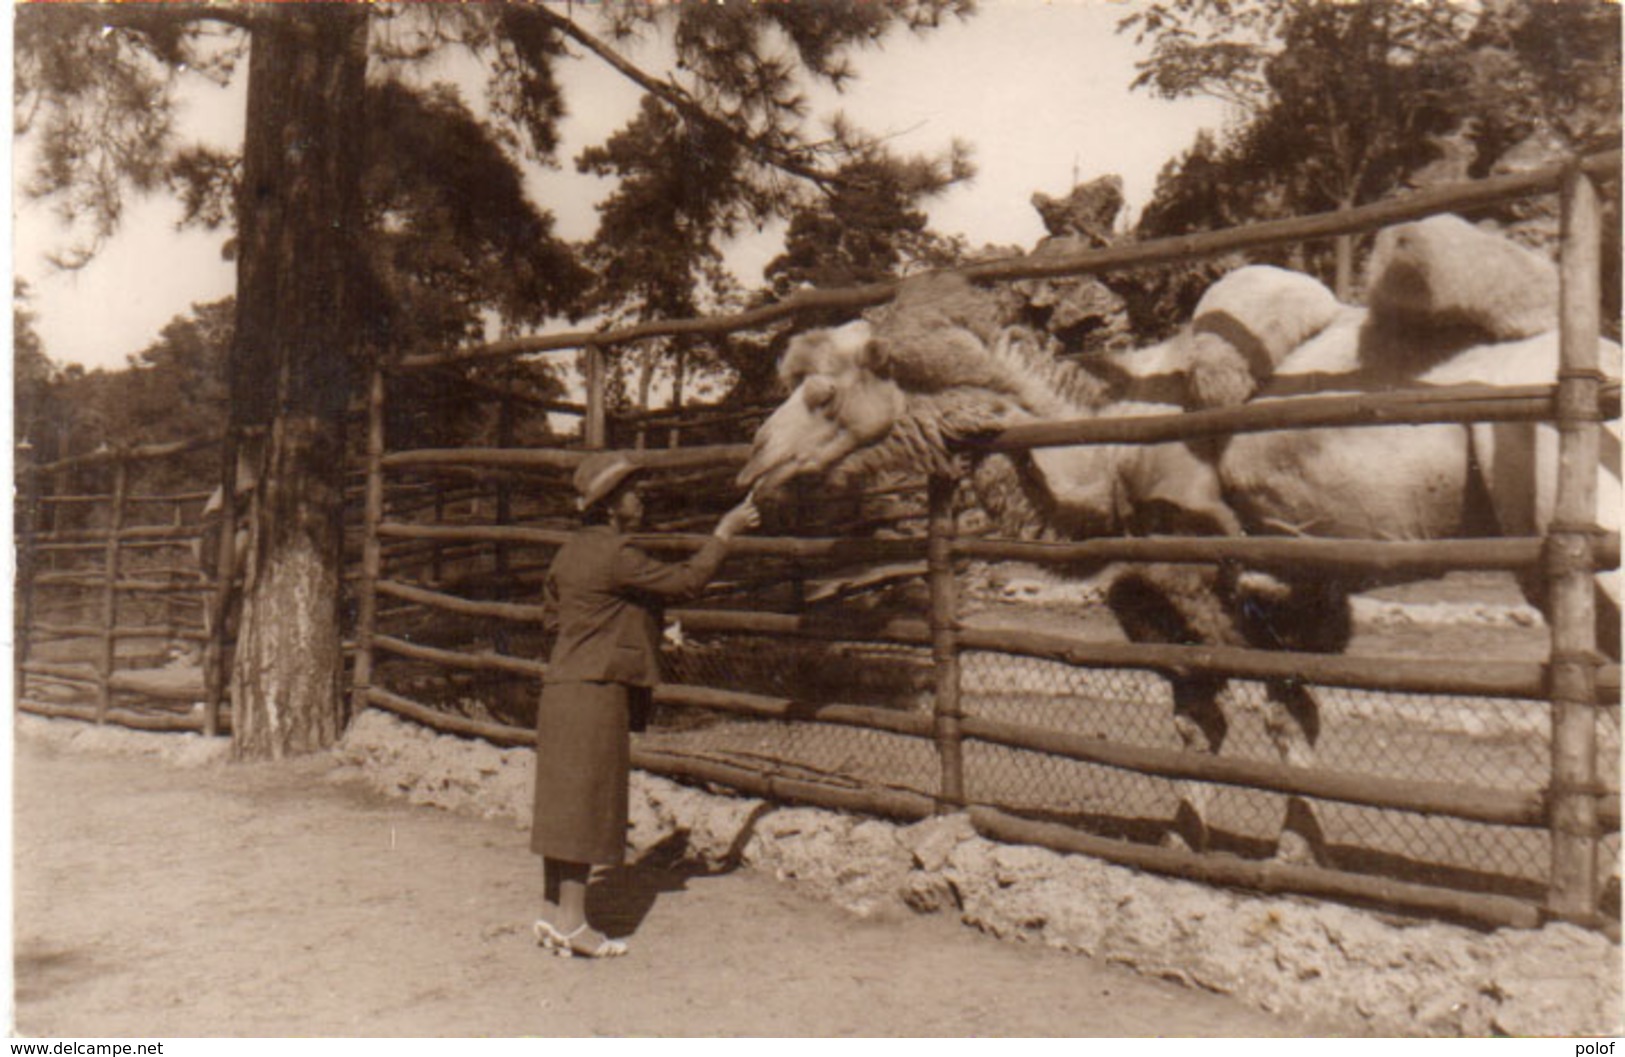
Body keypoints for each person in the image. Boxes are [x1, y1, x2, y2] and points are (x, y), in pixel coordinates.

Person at [531, 452, 759, 959]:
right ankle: (573, 924)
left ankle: (553, 915)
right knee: (589, 807)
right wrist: (725, 532)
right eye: (633, 491)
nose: (642, 498)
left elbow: (558, 619)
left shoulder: (569, 553)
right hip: (596, 693)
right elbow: (687, 582)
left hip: (563, 687)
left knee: (562, 806)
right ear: (611, 506)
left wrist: (640, 626)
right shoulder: (617, 552)